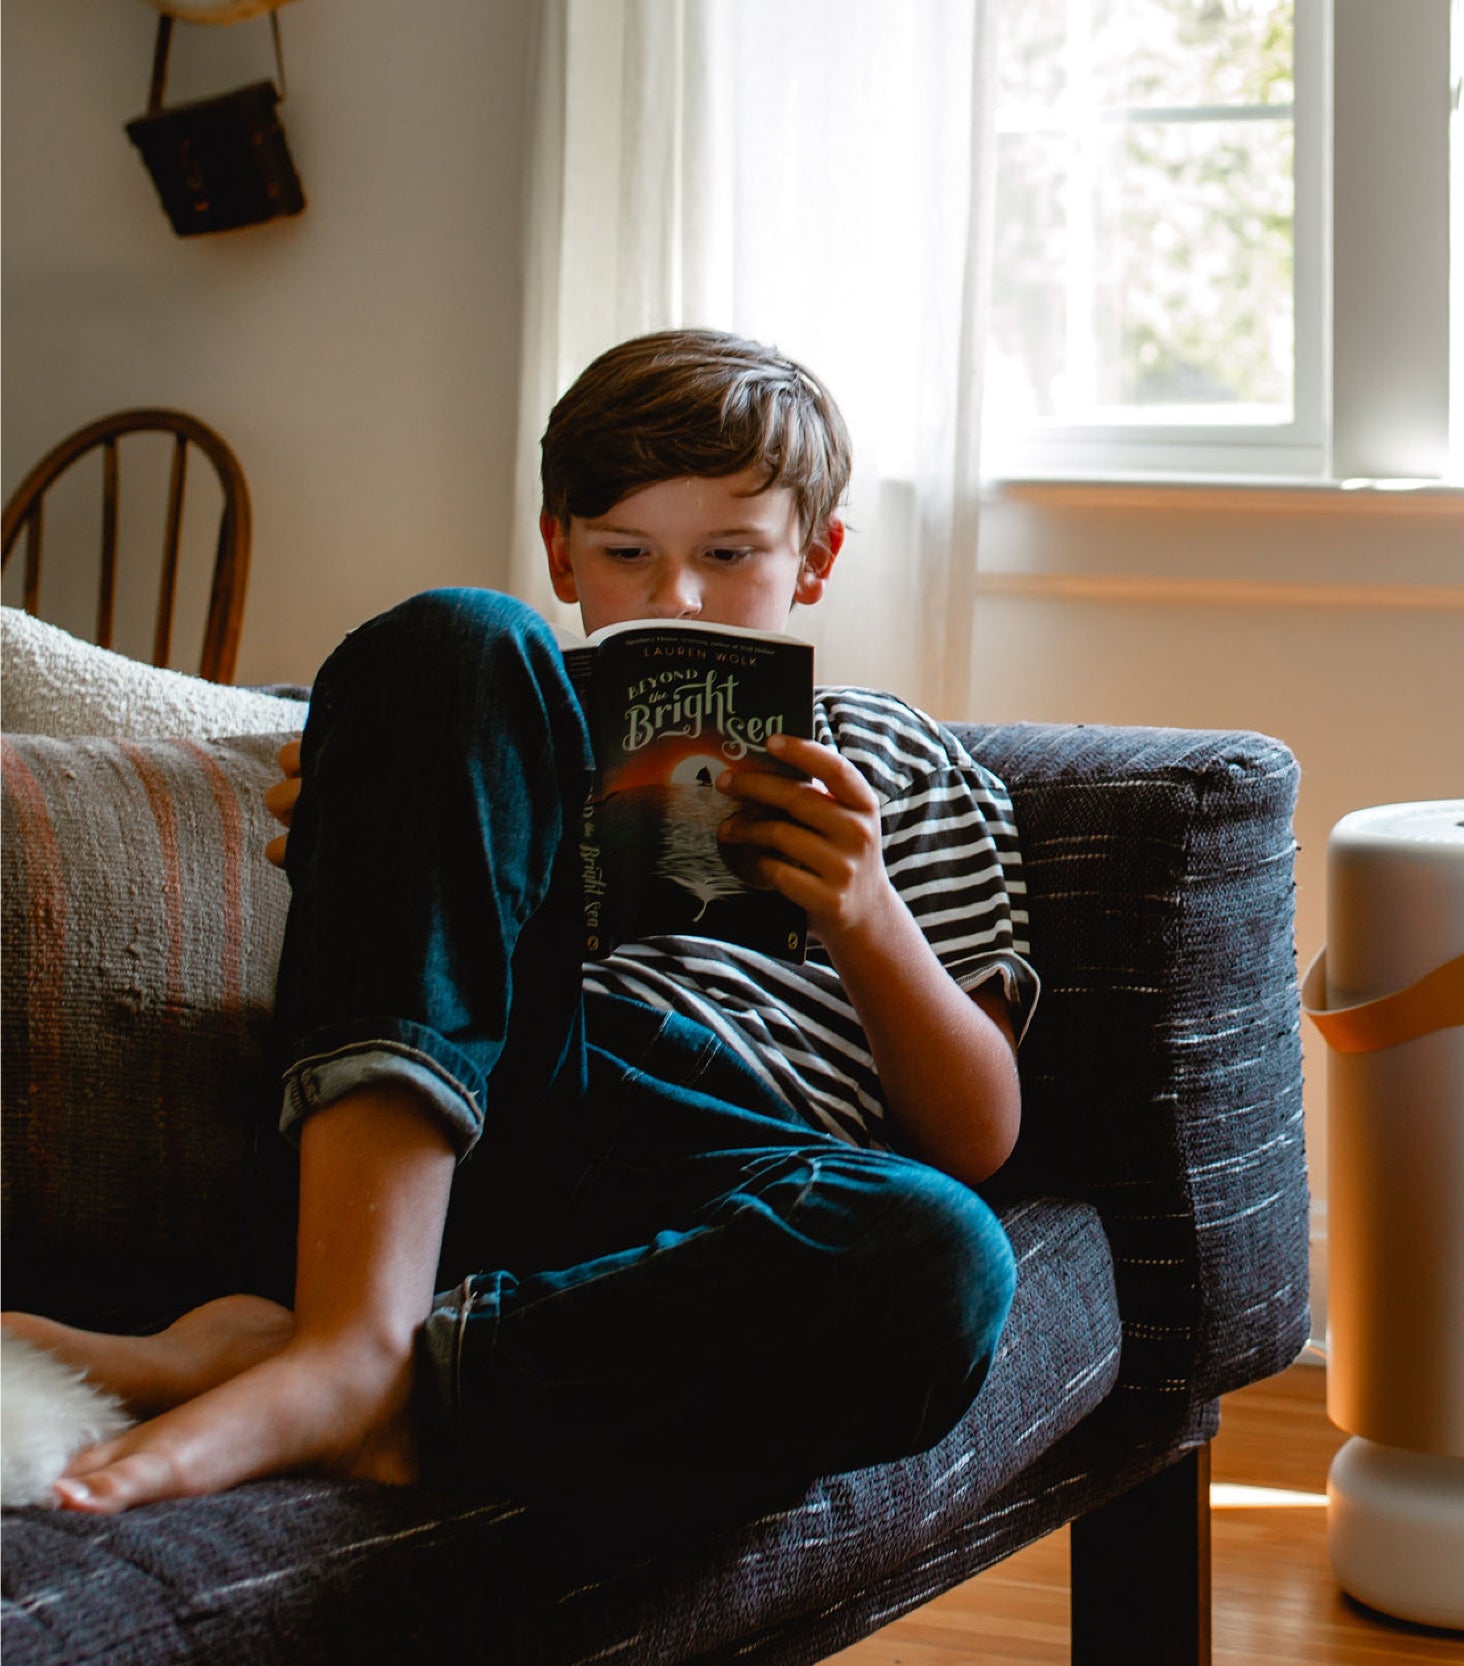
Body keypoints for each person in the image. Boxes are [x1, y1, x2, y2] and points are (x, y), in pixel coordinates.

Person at [0, 329, 1032, 1518]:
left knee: (936, 1258)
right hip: (478, 1115)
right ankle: (353, 1332)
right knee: (454, 636)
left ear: (817, 557)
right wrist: (384, 840)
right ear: (563, 548)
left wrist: (866, 915)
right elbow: (418, 945)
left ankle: (347, 1372)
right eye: (627, 552)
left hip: (733, 1172)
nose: (675, 595)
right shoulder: (510, 711)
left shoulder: (912, 763)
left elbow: (977, 1135)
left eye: (730, 553)